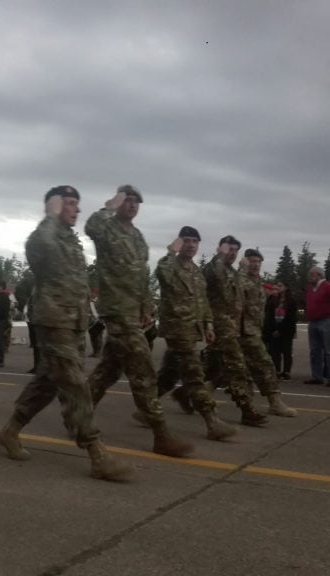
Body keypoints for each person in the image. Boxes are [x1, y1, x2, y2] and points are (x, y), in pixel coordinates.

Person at [0, 185, 134, 481]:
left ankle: (9, 432)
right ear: (56, 206)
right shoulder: (42, 236)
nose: (76, 208)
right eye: (69, 203)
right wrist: (50, 216)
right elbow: (41, 250)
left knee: (47, 382)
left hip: (73, 324)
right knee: (74, 384)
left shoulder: (71, 241)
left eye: (76, 203)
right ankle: (97, 453)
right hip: (54, 322)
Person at [85, 185, 193, 458]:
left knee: (108, 371)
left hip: (133, 311)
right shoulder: (106, 227)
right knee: (142, 368)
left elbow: (142, 274)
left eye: (136, 202)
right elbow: (90, 227)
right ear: (120, 202)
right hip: (117, 310)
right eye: (128, 200)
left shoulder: (137, 236)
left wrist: (147, 304)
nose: (132, 205)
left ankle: (77, 413)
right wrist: (109, 205)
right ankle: (161, 433)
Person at [153, 228, 237, 440]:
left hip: (192, 330)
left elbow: (203, 302)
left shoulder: (196, 271)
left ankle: (146, 408)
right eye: (187, 241)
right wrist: (171, 251)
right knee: (194, 374)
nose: (191, 245)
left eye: (195, 242)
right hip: (177, 329)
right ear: (180, 243)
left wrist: (208, 325)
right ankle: (212, 422)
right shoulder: (170, 265)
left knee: (169, 375)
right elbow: (161, 274)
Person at [203, 236, 269, 426]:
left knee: (212, 370)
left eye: (235, 250)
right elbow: (214, 275)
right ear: (220, 249)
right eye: (228, 249)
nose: (232, 253)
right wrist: (220, 255)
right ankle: (247, 410)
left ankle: (183, 394)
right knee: (238, 367)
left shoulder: (232, 272)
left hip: (232, 329)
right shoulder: (213, 268)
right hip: (219, 327)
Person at [238, 249, 297, 417]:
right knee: (265, 365)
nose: (255, 264)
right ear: (244, 262)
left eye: (258, 262)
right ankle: (274, 403)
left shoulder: (258, 281)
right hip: (240, 331)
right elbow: (236, 292)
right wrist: (242, 271)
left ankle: (187, 393)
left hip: (253, 331)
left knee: (225, 370)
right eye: (251, 261)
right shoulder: (238, 278)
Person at [304, 267, 330, 387]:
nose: (309, 276)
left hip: (326, 320)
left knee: (329, 350)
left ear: (319, 275)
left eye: (312, 274)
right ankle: (317, 376)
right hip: (313, 321)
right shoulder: (310, 288)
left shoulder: (328, 286)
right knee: (314, 351)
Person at [263, 282, 297, 380]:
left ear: (286, 288)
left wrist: (281, 330)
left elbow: (291, 318)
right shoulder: (273, 300)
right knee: (275, 351)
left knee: (287, 351)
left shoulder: (291, 301)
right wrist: (273, 329)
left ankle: (286, 371)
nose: (277, 288)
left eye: (280, 286)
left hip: (286, 330)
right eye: (276, 286)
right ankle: (276, 370)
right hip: (274, 329)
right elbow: (269, 316)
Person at [87, 288, 105, 358]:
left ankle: (98, 352)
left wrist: (101, 320)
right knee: (92, 338)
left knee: (98, 338)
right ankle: (94, 352)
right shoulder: (89, 301)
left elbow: (102, 311)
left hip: (98, 322)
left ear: (96, 293)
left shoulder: (99, 301)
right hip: (91, 323)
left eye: (93, 293)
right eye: (91, 293)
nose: (92, 294)